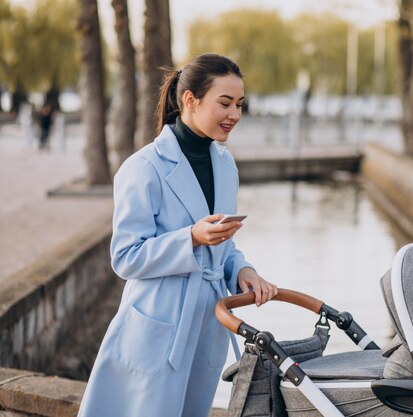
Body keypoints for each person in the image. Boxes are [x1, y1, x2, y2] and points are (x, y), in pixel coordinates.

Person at [77, 53, 279, 417]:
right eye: (225, 103)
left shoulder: (224, 163)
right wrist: (191, 238)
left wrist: (242, 271)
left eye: (240, 104)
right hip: (158, 321)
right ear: (190, 100)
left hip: (208, 320)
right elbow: (125, 257)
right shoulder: (143, 168)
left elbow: (223, 244)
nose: (235, 114)